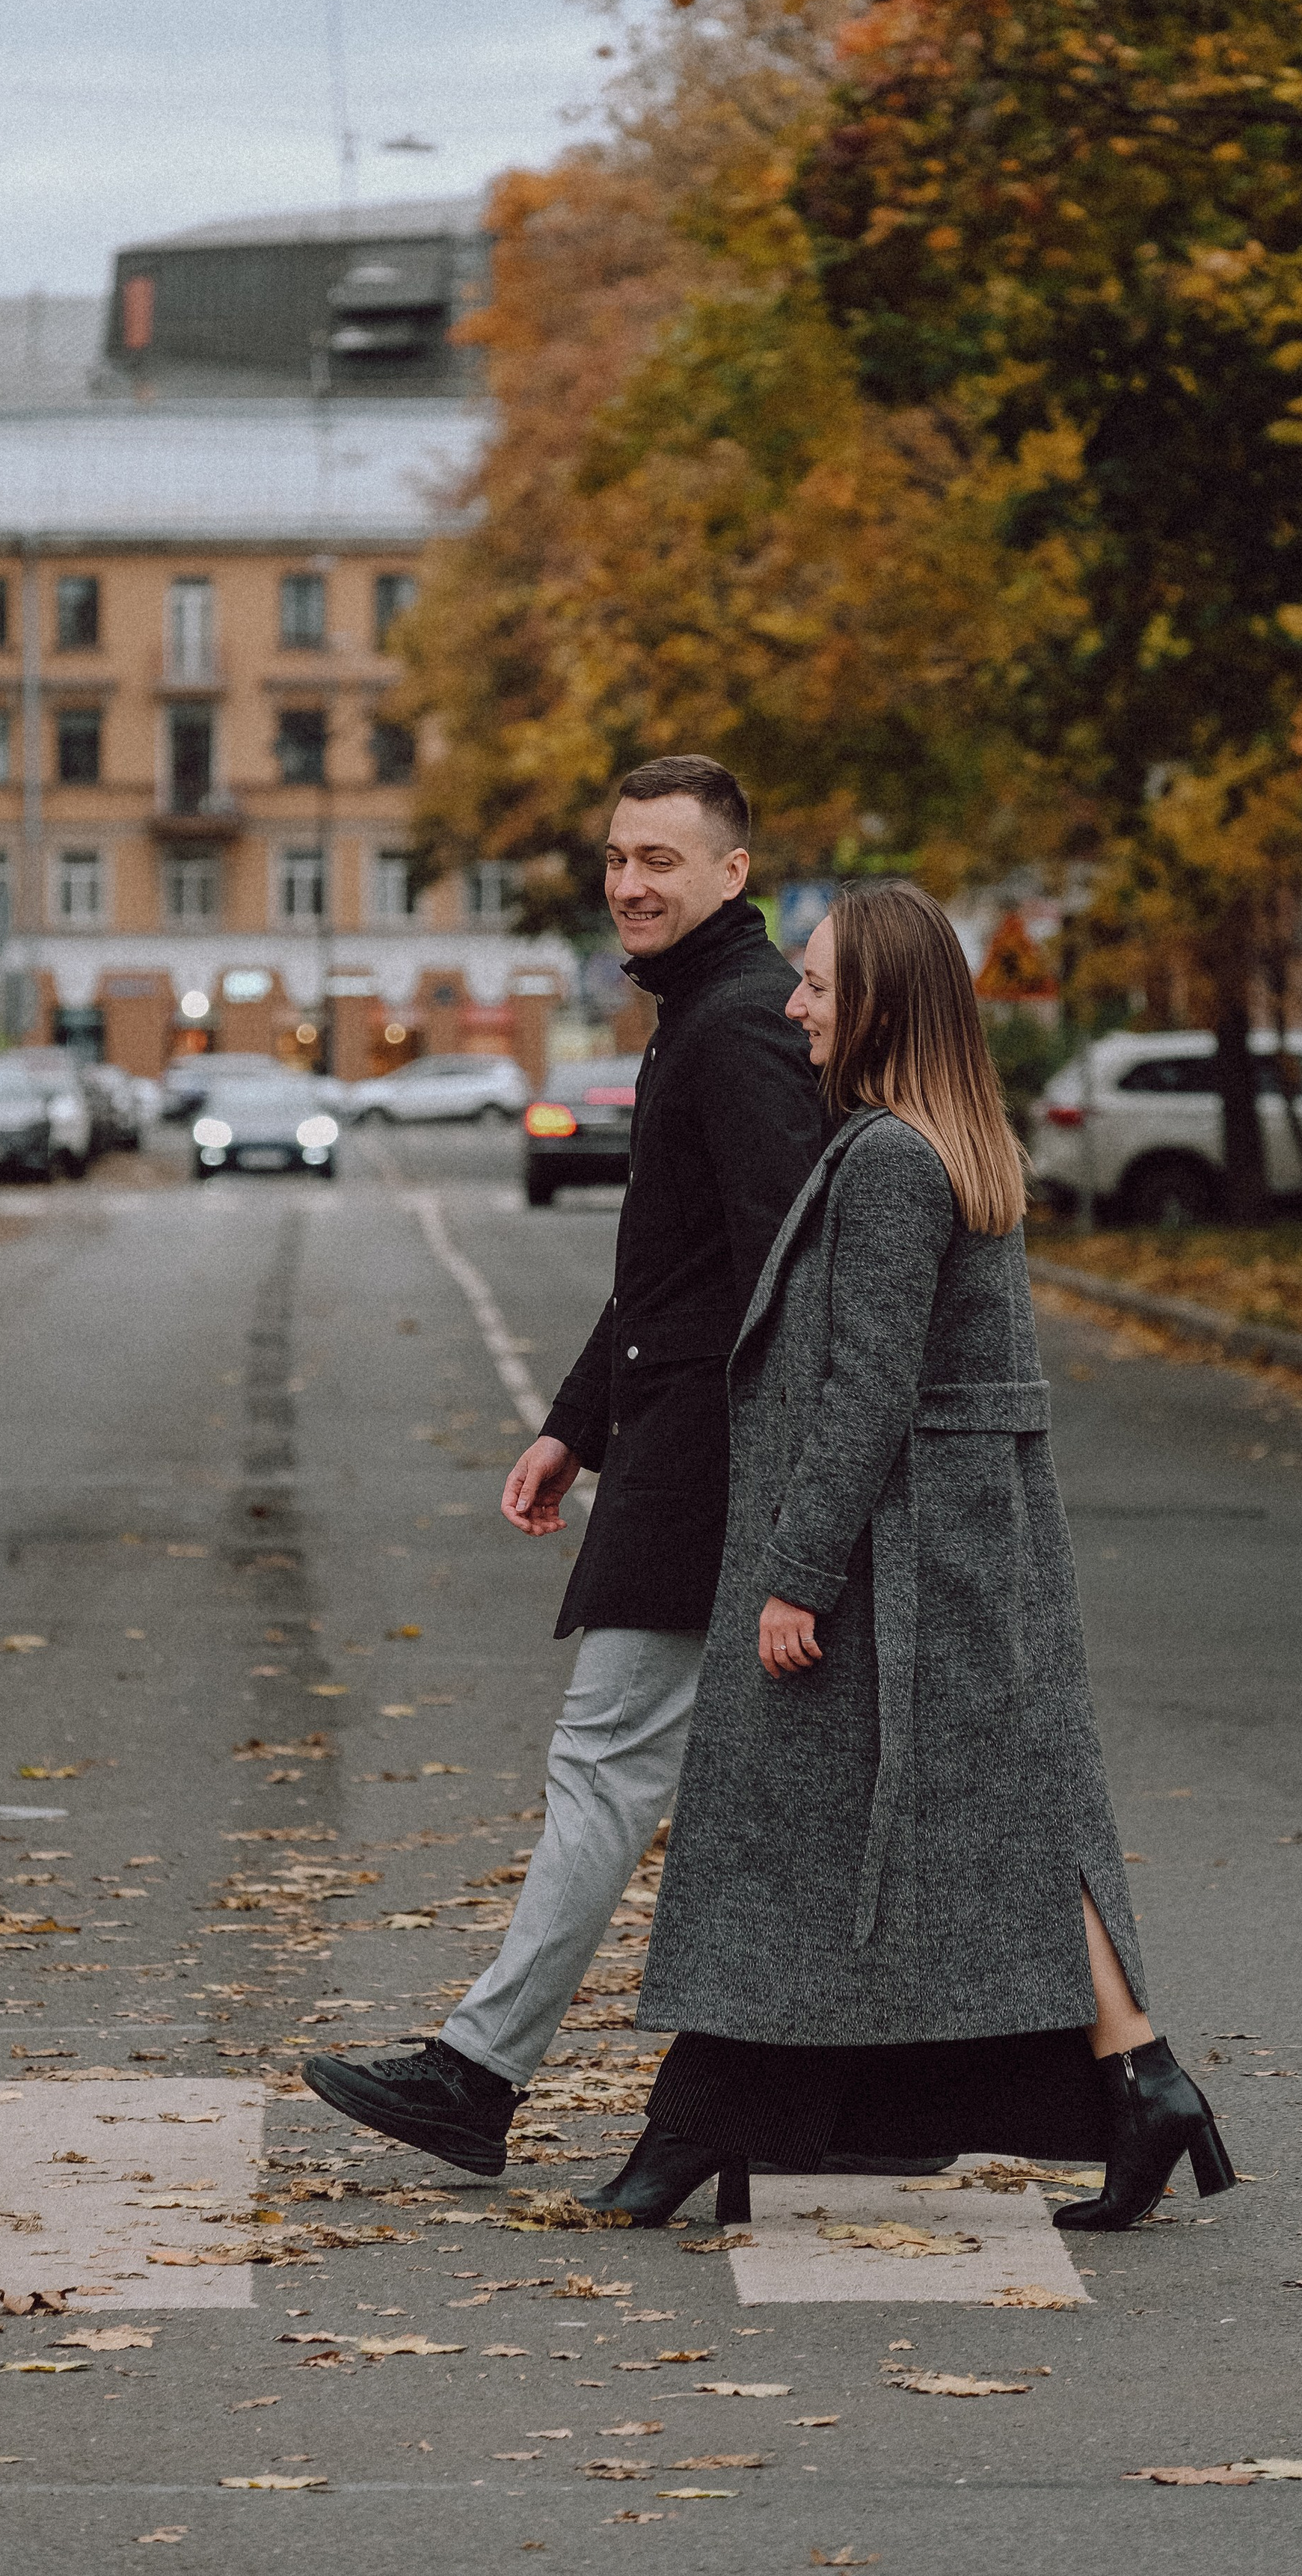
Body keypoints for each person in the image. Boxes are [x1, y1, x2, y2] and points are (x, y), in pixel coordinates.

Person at [581, 883, 1237, 2233]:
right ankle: (1141, 2083)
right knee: (1005, 1818)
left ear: (882, 1002)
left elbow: (865, 1389)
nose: (796, 1007)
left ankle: (704, 2124)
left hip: (898, 1555)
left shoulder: (888, 1159)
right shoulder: (934, 1140)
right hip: (947, 1540)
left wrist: (795, 1574)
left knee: (798, 1833)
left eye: (819, 985)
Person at [304, 755, 823, 2174]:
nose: (628, 884)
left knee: (608, 1763)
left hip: (712, 1468)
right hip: (680, 1452)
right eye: (615, 858)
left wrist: (792, 1497)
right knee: (740, 1787)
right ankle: (1020, 2080)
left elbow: (786, 1268)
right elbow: (670, 1269)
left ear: (732, 873)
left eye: (661, 859)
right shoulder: (700, 1013)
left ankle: (478, 2074)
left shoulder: (737, 1026)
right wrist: (572, 1426)